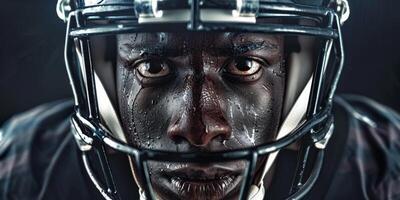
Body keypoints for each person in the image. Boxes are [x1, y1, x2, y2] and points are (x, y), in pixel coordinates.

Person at [1, 0, 400, 199]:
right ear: (104, 72)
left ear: (298, 72)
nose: (198, 129)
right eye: (152, 67)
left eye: (245, 65)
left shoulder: (386, 168)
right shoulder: (23, 170)